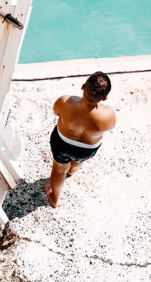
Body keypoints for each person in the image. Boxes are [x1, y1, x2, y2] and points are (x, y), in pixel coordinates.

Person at [44, 72, 116, 208]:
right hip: (87, 150)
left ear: (83, 87)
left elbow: (56, 112)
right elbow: (109, 128)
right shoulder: (109, 115)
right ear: (105, 97)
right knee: (78, 161)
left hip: (62, 144)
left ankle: (54, 198)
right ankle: (71, 170)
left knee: (59, 170)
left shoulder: (65, 102)